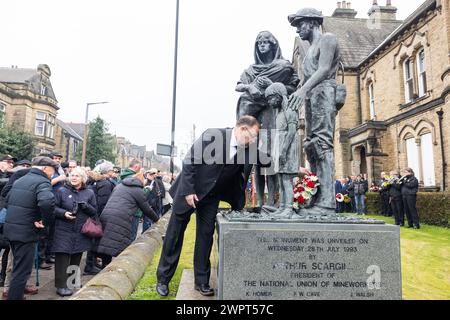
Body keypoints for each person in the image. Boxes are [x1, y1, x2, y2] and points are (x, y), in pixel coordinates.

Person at [156, 116, 263, 297]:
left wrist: (296, 170)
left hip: (212, 196)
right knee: (175, 234)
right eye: (251, 136)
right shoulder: (213, 136)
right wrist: (189, 191)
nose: (252, 141)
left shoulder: (249, 148)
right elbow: (189, 161)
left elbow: (263, 164)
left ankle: (202, 282)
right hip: (190, 191)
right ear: (242, 129)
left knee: (205, 237)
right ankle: (163, 279)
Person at [288, 8, 343, 216]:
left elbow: (323, 69)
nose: (298, 31)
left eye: (300, 25)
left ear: (311, 23)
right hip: (312, 97)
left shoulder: (327, 39)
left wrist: (303, 90)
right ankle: (317, 197)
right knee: (311, 146)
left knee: (322, 145)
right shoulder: (308, 49)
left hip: (324, 93)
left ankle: (327, 203)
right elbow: (305, 79)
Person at [236, 31, 299, 209]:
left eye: (265, 42)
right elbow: (238, 85)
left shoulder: (284, 66)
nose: (262, 45)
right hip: (253, 112)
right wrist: (251, 87)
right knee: (255, 159)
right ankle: (257, 202)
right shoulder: (251, 70)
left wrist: (272, 87)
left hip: (272, 111)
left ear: (273, 44)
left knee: (270, 158)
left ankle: (272, 201)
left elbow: (293, 86)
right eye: (259, 43)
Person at [2, 156, 57, 300]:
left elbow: (7, 200)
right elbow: (47, 203)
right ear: (45, 169)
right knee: (22, 271)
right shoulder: (42, 181)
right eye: (53, 170)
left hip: (12, 230)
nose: (53, 173)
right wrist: (44, 221)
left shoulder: (20, 179)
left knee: (17, 268)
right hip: (26, 233)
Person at [96, 172, 159, 268]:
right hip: (121, 217)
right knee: (117, 242)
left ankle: (105, 264)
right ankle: (117, 267)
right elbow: (146, 209)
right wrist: (156, 219)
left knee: (106, 242)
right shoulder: (138, 191)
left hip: (107, 214)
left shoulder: (119, 186)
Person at [52, 167, 97, 296]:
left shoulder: (89, 192)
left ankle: (72, 282)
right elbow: (53, 208)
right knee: (63, 256)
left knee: (76, 255)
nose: (74, 177)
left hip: (81, 229)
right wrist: (63, 213)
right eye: (72, 175)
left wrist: (86, 206)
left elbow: (94, 211)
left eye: (77, 176)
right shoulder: (61, 191)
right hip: (63, 228)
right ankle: (61, 285)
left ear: (83, 178)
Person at [84, 161, 116, 274]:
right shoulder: (105, 183)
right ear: (107, 171)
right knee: (94, 241)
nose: (113, 171)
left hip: (93, 214)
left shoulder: (94, 181)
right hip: (98, 215)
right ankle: (89, 265)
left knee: (93, 240)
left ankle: (92, 263)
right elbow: (103, 202)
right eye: (112, 170)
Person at [142, 169, 162, 233]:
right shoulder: (146, 182)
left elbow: (157, 191)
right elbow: (145, 194)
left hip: (155, 204)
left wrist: (158, 193)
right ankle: (145, 234)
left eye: (154, 174)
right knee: (147, 222)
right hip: (149, 204)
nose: (153, 175)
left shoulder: (155, 181)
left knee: (153, 221)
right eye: (151, 174)